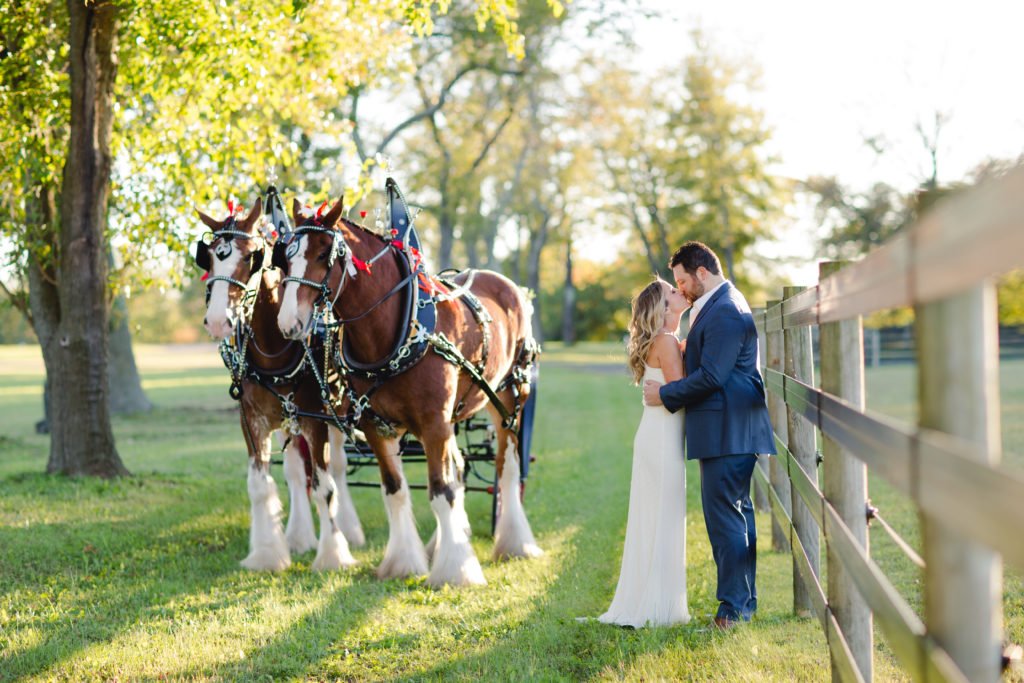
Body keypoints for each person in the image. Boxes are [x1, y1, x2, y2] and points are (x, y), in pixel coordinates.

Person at [642, 241, 775, 630]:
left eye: (682, 280)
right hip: (730, 428)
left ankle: (731, 611)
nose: (681, 289)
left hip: (728, 429)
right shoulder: (719, 305)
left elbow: (713, 376)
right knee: (737, 517)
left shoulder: (726, 310)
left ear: (702, 272)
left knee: (725, 521)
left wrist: (666, 394)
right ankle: (742, 603)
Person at [598, 278, 691, 628]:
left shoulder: (666, 340)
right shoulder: (666, 342)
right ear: (663, 309)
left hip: (656, 433)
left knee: (655, 517)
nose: (679, 292)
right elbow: (681, 390)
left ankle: (651, 600)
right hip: (663, 437)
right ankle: (658, 607)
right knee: (663, 517)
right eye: (672, 291)